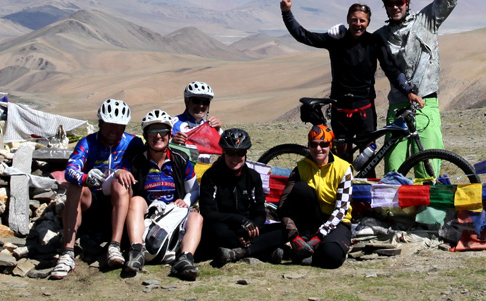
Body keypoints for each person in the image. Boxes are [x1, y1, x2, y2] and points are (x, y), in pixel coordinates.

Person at [377, 0, 475, 178]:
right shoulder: (380, 36)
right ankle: (393, 215)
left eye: (399, 2)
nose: (395, 7)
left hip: (426, 105)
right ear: (386, 8)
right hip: (398, 107)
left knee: (428, 171)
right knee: (393, 172)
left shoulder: (426, 21)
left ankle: (426, 216)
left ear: (407, 3)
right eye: (390, 4)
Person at [279, 0, 415, 159]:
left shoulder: (374, 42)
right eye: (354, 20)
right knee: (342, 161)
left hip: (365, 109)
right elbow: (303, 36)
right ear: (348, 20)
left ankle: (366, 185)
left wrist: (407, 90)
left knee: (367, 159)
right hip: (340, 109)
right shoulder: (336, 40)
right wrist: (287, 13)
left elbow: (390, 69)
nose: (358, 24)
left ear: (368, 22)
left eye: (362, 20)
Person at [52, 99, 140, 277]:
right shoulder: (87, 142)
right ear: (100, 122)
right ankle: (67, 253)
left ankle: (114, 246)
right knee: (75, 186)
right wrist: (85, 177)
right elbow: (70, 170)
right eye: (109, 125)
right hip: (90, 202)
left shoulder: (134, 143)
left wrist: (123, 171)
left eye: (119, 126)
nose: (114, 131)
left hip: (119, 202)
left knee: (121, 181)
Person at [112, 109, 203, 280]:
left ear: (170, 135)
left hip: (173, 211)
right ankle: (136, 250)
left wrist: (185, 201)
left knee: (196, 218)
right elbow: (121, 173)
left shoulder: (181, 159)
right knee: (137, 200)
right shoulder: (136, 160)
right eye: (153, 132)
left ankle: (186, 258)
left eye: (162, 132)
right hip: (147, 214)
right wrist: (118, 172)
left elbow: (193, 190)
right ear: (146, 136)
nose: (158, 136)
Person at [197, 127, 286, 266]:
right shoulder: (211, 176)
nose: (235, 158)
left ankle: (240, 252)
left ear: (246, 153)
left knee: (285, 229)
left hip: (247, 229)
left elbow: (259, 211)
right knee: (216, 233)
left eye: (240, 153)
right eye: (231, 153)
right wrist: (239, 221)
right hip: (224, 227)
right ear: (223, 152)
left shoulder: (253, 177)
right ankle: (264, 250)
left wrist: (249, 230)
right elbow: (208, 213)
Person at [278, 125, 355, 269]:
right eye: (313, 144)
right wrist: (293, 235)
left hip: (338, 221)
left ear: (330, 145)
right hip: (311, 220)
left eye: (323, 144)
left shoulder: (344, 169)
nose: (318, 149)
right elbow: (283, 204)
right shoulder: (301, 167)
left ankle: (296, 254)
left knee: (332, 256)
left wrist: (320, 235)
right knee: (301, 188)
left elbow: (341, 209)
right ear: (308, 145)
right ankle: (305, 242)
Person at [173, 82, 223, 156]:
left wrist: (217, 132)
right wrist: (171, 142)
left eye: (205, 102)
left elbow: (228, 150)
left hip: (205, 166)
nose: (201, 106)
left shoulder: (211, 127)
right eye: (196, 101)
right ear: (186, 101)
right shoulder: (172, 123)